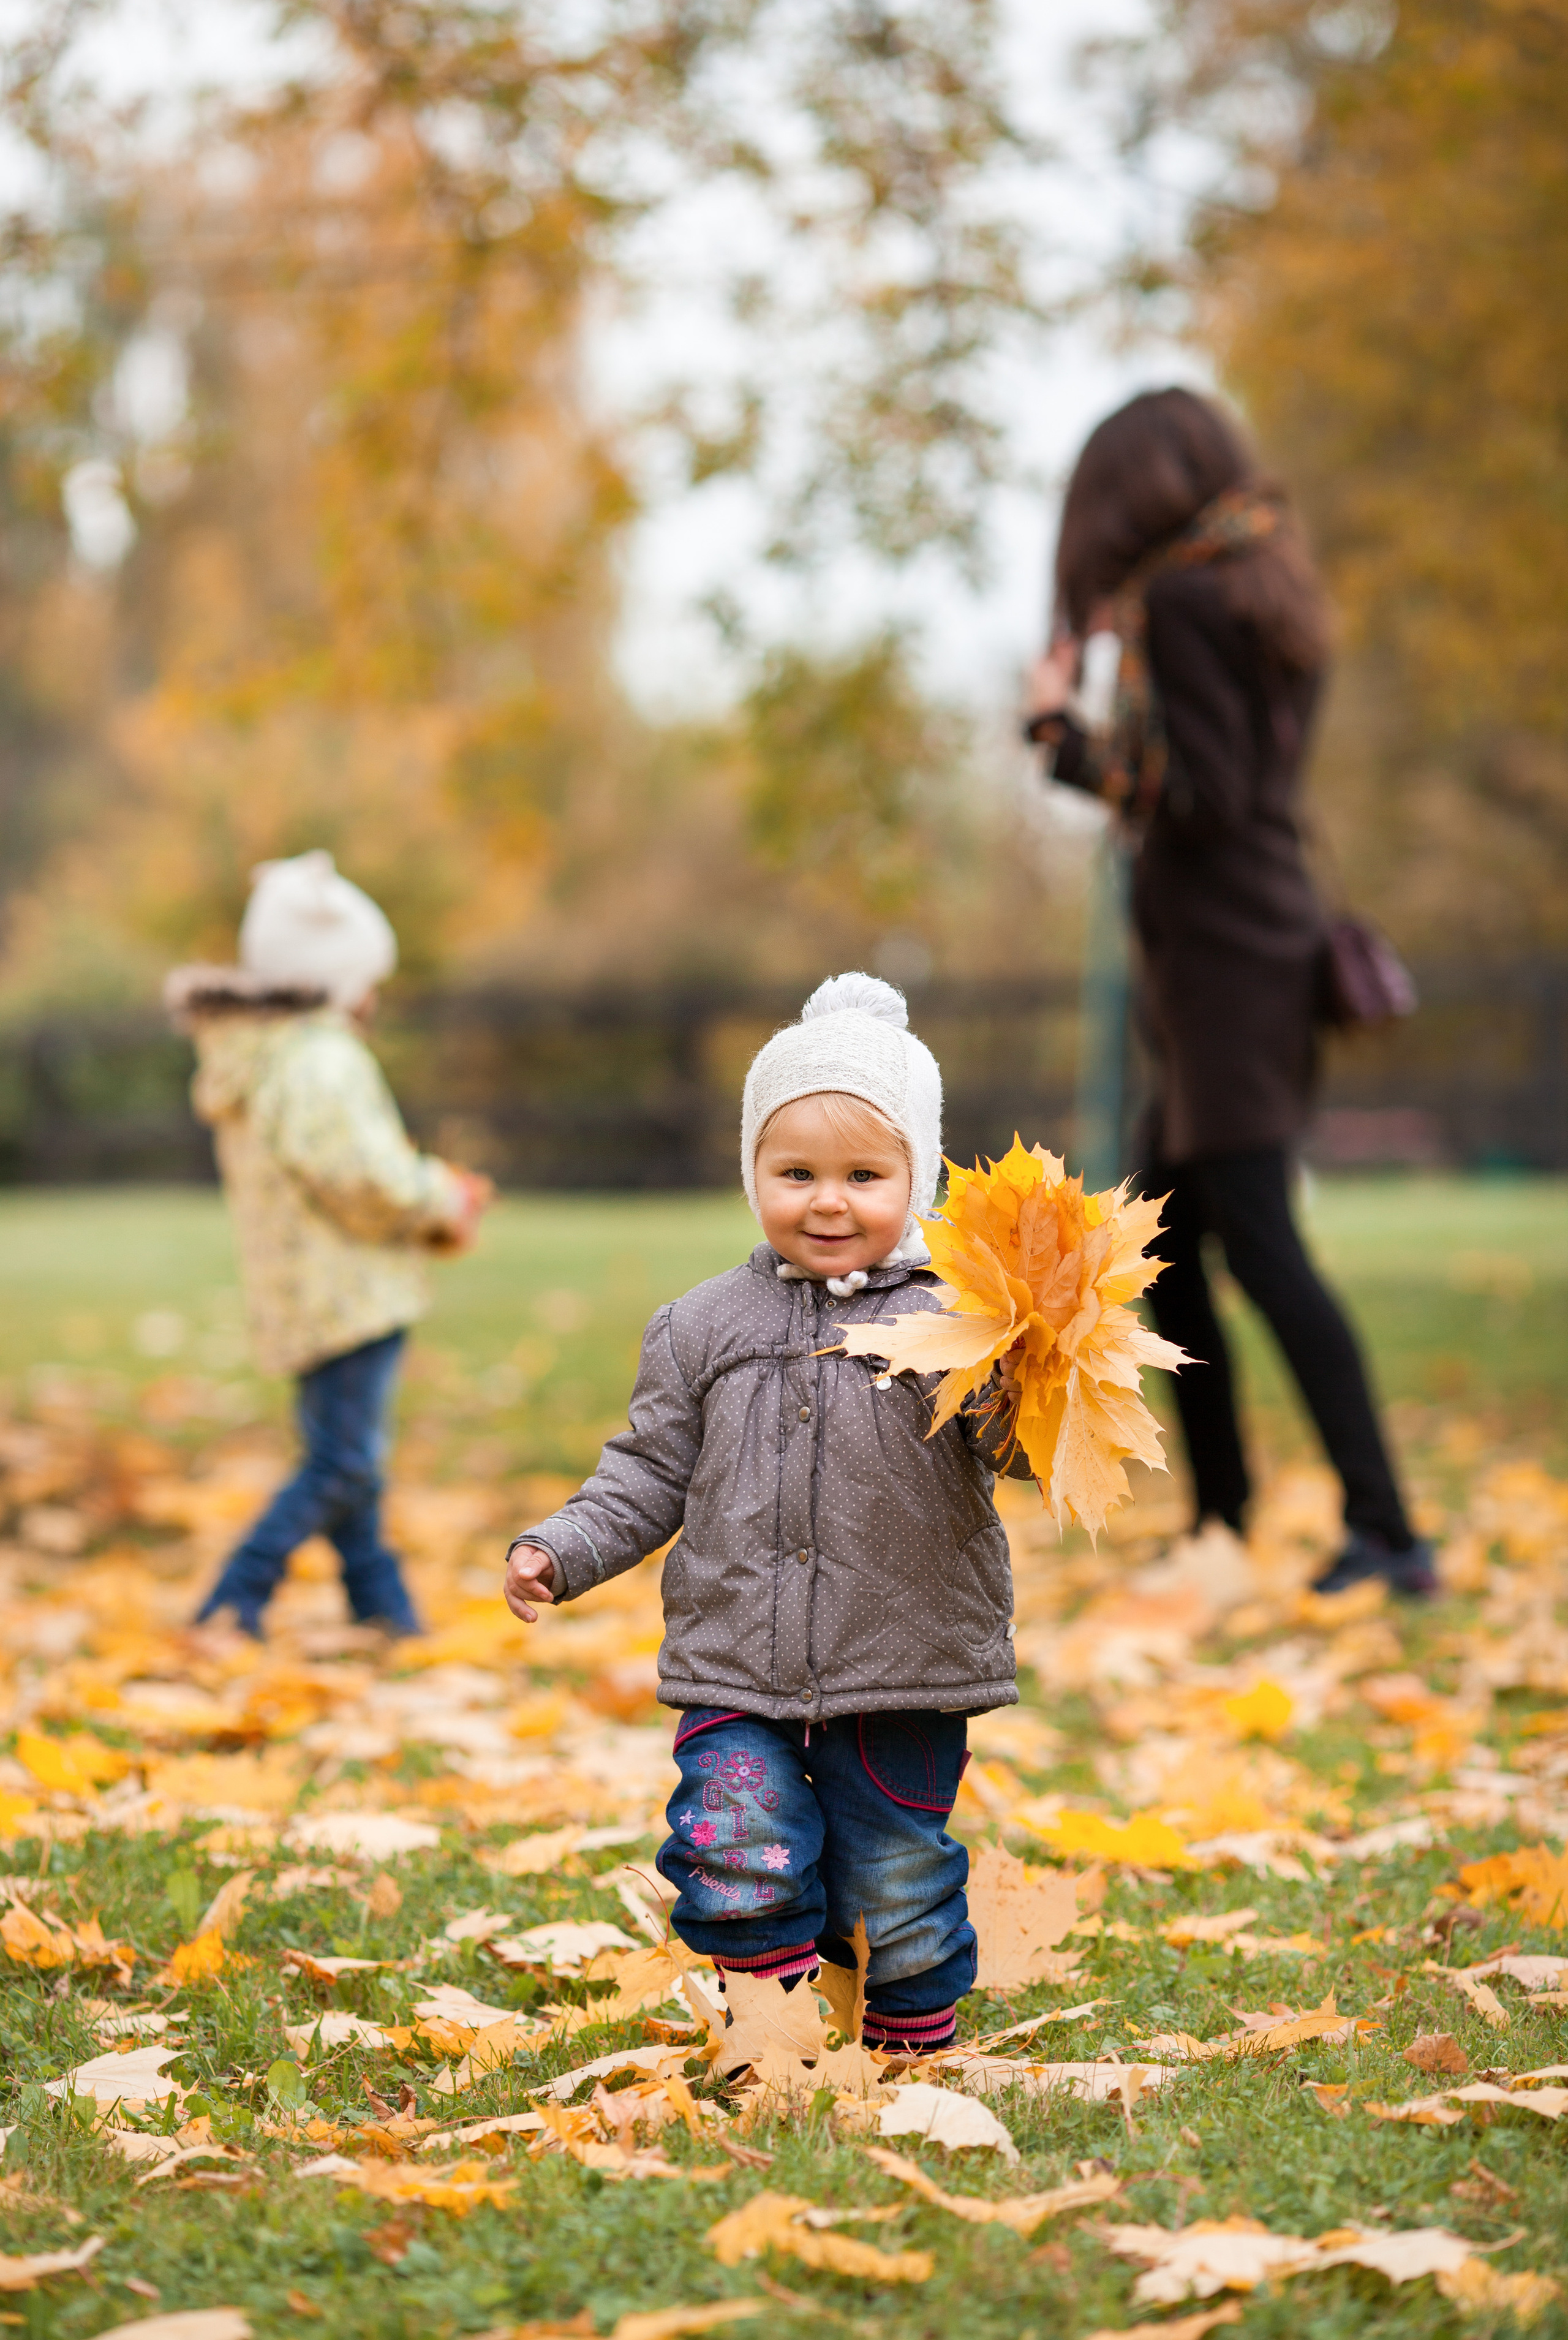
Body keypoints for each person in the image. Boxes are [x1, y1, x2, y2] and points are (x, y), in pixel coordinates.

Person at [503, 973, 1028, 2054]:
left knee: (893, 1879)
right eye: (796, 1173)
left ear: (916, 1177)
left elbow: (1015, 1451)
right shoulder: (702, 1326)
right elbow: (647, 1471)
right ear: (753, 1172)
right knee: (733, 1845)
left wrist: (1025, 1376)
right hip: (735, 1654)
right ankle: (776, 2027)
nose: (827, 1202)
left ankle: (909, 2048)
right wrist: (561, 1548)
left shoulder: (958, 1319)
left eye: (863, 1176)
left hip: (906, 1660)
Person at [1022, 387, 1434, 1598]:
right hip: (1244, 960)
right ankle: (1225, 1522)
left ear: (1132, 493)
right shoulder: (1253, 588)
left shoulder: (1188, 602)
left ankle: (1388, 1534)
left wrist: (1063, 742)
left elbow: (1199, 796)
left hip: (1228, 975)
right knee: (1166, 1245)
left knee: (1256, 1248)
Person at [168, 850, 491, 1638]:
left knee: (351, 1456)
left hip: (306, 1292)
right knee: (342, 1463)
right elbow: (361, 1176)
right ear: (335, 979)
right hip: (349, 1292)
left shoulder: (270, 1055)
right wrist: (441, 1196)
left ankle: (380, 1604)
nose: (372, 994)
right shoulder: (319, 1059)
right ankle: (236, 1593)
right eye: (366, 978)